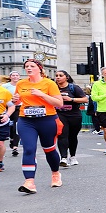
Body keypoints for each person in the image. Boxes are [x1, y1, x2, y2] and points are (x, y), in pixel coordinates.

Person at [11, 58, 64, 194]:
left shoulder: (49, 83)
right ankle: (29, 182)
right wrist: (15, 101)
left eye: (32, 66)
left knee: (49, 149)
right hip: (26, 120)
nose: (29, 68)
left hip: (47, 120)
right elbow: (18, 101)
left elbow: (59, 103)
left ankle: (55, 173)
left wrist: (41, 95)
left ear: (39, 68)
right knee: (29, 149)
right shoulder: (21, 84)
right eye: (27, 66)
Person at [54, 70, 88, 166]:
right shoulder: (54, 88)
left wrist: (71, 99)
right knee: (62, 135)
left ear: (66, 77)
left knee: (72, 137)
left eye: (60, 75)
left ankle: (72, 156)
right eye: (56, 76)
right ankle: (63, 158)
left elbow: (85, 99)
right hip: (60, 114)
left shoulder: (74, 88)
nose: (58, 77)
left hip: (74, 115)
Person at [2, 69, 21, 157]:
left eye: (17, 75)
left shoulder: (22, 85)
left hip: (19, 107)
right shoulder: (5, 86)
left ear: (19, 77)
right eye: (13, 75)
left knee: (16, 126)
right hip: (8, 107)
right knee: (9, 125)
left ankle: (15, 147)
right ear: (10, 77)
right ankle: (11, 139)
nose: (15, 77)